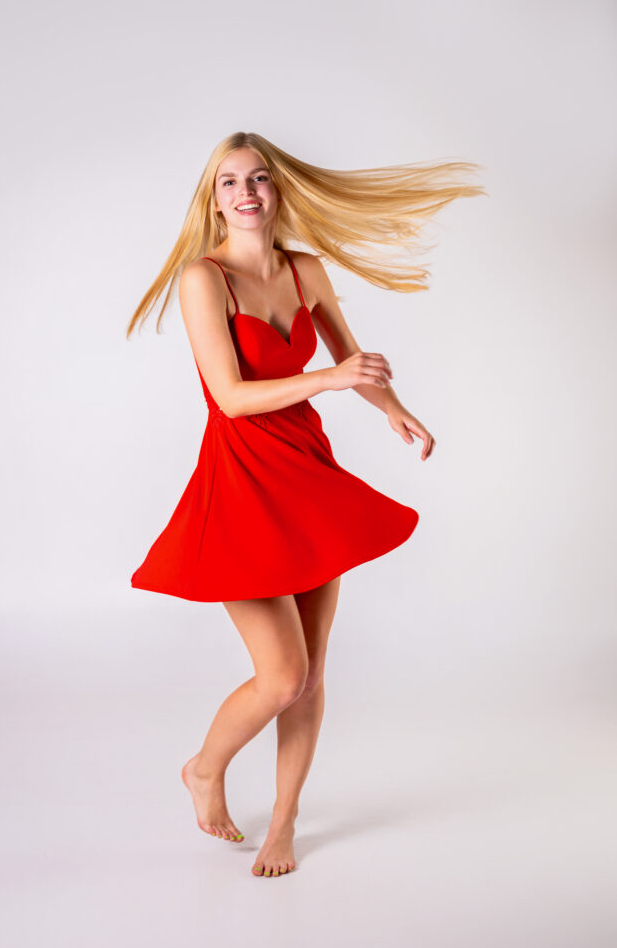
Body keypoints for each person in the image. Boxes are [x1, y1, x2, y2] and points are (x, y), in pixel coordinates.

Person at [127, 132, 486, 878]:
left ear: (278, 188)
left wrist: (392, 406)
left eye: (257, 178)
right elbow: (228, 396)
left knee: (312, 675)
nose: (246, 192)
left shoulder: (304, 270)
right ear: (213, 198)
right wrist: (330, 380)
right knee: (281, 675)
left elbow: (352, 360)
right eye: (228, 183)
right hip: (240, 482)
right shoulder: (205, 279)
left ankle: (284, 820)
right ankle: (203, 768)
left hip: (306, 476)